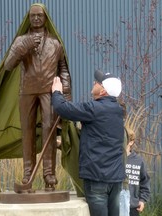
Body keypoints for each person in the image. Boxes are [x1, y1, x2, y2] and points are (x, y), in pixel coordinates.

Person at [4, 3, 71, 190]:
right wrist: (22, 48)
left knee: (49, 131)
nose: (35, 18)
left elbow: (63, 69)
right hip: (27, 91)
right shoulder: (20, 40)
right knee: (27, 132)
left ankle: (49, 174)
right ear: (28, 18)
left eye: (39, 15)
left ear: (45, 18)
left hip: (49, 91)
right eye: (32, 15)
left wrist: (66, 92)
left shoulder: (55, 44)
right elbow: (8, 66)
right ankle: (28, 174)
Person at [51, 70, 125, 216]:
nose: (94, 83)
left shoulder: (94, 109)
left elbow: (62, 109)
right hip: (115, 179)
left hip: (96, 178)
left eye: (97, 82)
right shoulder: (118, 111)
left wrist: (57, 93)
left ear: (103, 90)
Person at [124, 129, 150, 216]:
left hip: (133, 207)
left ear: (131, 142)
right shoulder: (115, 159)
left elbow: (145, 181)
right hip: (116, 205)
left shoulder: (138, 160)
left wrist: (142, 200)